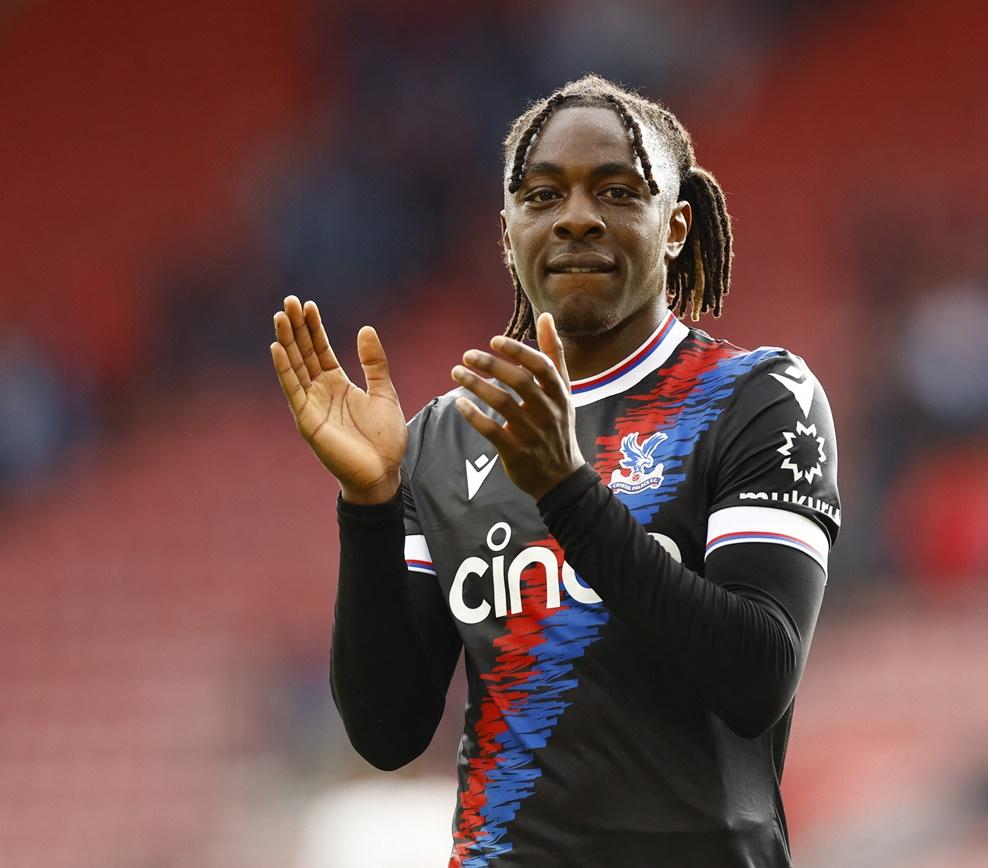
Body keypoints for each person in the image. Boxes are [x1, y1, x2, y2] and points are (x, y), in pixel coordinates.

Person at [270, 74, 841, 868]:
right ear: (508, 234)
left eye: (616, 190)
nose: (576, 217)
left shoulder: (756, 398)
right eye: (542, 196)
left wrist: (568, 493)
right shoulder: (444, 439)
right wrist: (369, 505)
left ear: (675, 227)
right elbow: (387, 732)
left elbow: (757, 676)